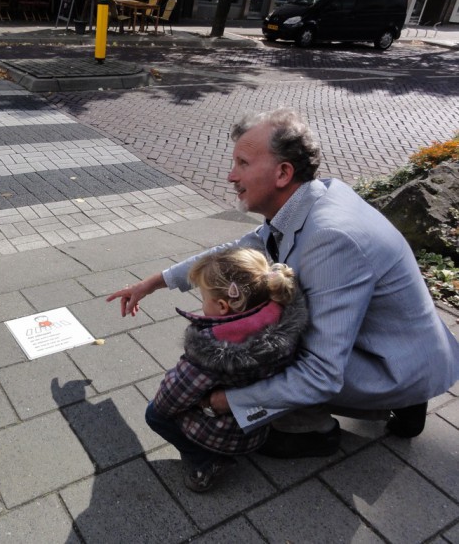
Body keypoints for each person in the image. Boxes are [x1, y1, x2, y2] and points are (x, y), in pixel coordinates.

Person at [107, 108, 459, 459]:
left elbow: (321, 373)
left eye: (243, 163)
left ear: (283, 172)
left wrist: (225, 401)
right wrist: (155, 282)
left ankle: (314, 432)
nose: (231, 176)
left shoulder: (331, 238)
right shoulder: (315, 196)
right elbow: (237, 249)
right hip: (405, 344)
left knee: (262, 340)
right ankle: (407, 401)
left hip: (396, 366)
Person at [146, 247, 308, 492]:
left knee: (154, 414)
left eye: (203, 298)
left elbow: (169, 398)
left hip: (223, 433)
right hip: (258, 425)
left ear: (223, 306)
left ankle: (207, 461)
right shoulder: (283, 322)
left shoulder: (211, 353)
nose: (202, 304)